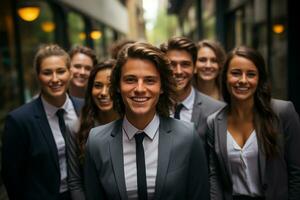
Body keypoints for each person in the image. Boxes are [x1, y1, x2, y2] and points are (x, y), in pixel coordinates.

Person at [84, 42, 209, 200]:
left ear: (162, 87)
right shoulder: (97, 141)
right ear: (117, 86)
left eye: (150, 80)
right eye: (130, 80)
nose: (140, 89)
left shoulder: (187, 137)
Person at [207, 46, 300, 200]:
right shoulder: (214, 122)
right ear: (225, 77)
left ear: (259, 79)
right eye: (236, 73)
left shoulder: (283, 112)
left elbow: (296, 172)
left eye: (251, 74)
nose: (243, 80)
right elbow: (215, 176)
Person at [1, 44, 83, 200]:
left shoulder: (85, 108)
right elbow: (12, 177)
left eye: (60, 71)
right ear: (38, 76)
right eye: (47, 73)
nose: (55, 79)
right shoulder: (19, 120)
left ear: (70, 73)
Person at [67, 59, 119, 200]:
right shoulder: (76, 128)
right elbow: (75, 182)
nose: (103, 92)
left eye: (111, 86)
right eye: (97, 85)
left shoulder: (133, 124)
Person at [160, 36, 225, 139]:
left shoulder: (217, 110)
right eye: (172, 64)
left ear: (194, 68)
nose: (178, 71)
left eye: (185, 64)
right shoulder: (152, 108)